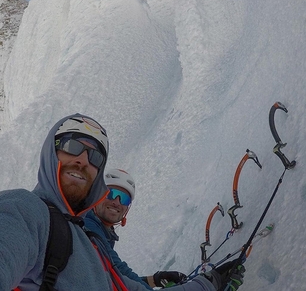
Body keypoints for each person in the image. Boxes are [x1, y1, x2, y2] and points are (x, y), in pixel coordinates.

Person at [0, 113, 245, 291]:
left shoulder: (87, 240)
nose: (83, 160)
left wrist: (205, 285)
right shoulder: (27, 210)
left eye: (95, 156)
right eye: (72, 146)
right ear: (51, 153)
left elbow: (124, 281)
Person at [84, 168, 187, 288]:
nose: (117, 202)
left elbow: (117, 278)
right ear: (98, 195)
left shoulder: (102, 230)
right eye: (111, 193)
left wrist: (154, 280)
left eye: (124, 198)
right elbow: (116, 268)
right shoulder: (87, 225)